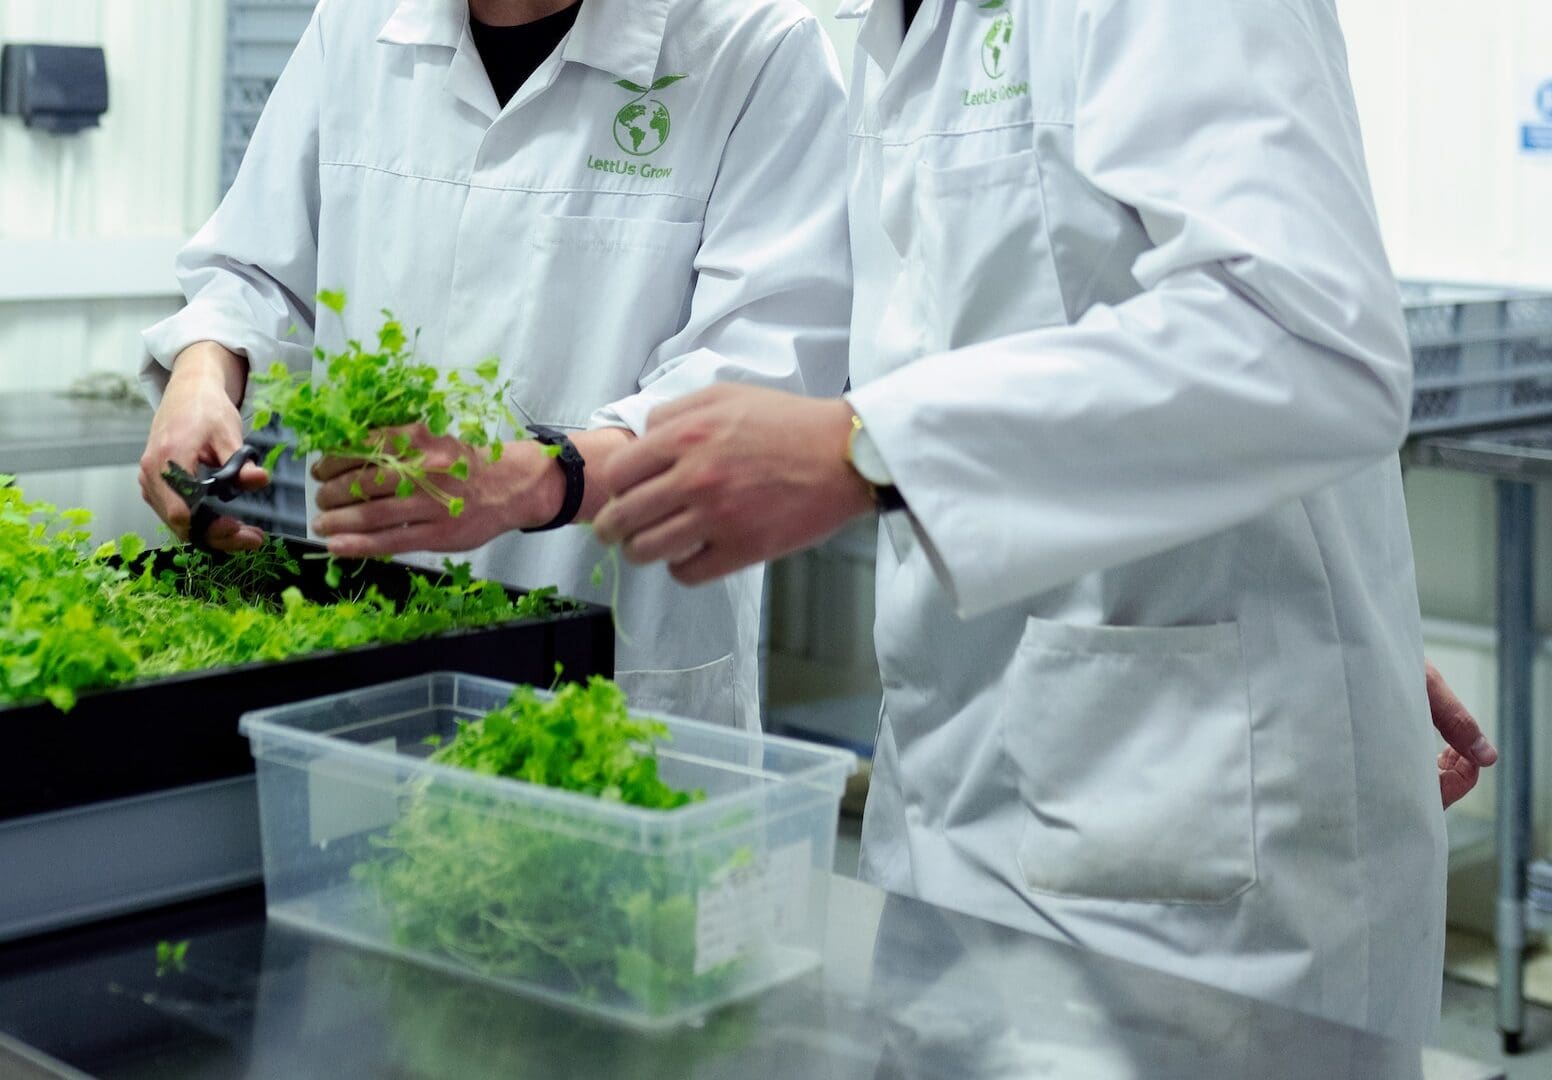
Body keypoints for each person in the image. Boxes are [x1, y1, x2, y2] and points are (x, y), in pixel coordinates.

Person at [595, 0, 1471, 1038]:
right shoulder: (895, 32)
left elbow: (1312, 343)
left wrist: (864, 449)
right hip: (953, 801)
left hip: (1195, 880)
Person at [135, 0, 851, 733]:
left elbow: (761, 384)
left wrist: (538, 480)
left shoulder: (756, 45)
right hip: (362, 647)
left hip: (621, 667)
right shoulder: (355, 21)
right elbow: (257, 272)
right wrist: (200, 375)